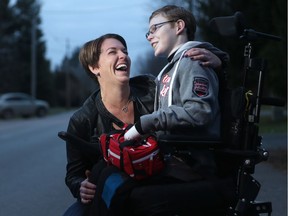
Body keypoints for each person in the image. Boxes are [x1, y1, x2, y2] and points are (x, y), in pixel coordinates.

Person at [62, 32, 229, 216]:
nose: (123, 55)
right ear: (94, 67)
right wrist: (80, 186)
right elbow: (73, 175)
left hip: (158, 180)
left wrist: (219, 65)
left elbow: (198, 106)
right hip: (112, 189)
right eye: (112, 52)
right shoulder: (82, 120)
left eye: (124, 51)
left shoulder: (152, 88)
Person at [124, 5, 235, 215]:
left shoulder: (194, 60)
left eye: (155, 28)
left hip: (193, 163)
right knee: (111, 174)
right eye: (148, 31)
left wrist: (145, 123)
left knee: (129, 193)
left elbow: (199, 112)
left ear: (179, 26)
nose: (149, 36)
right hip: (175, 157)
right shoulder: (173, 66)